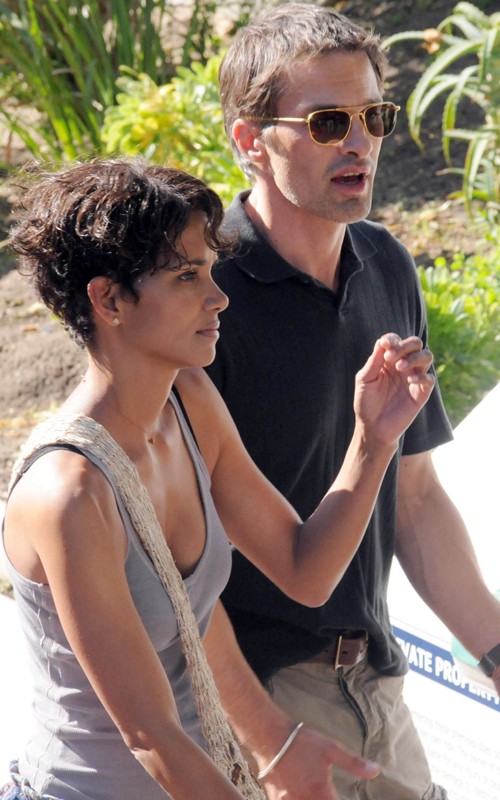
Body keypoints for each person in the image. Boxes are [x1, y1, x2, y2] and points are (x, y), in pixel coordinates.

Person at [0, 158, 434, 800]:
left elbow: (306, 571)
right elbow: (152, 737)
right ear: (109, 299)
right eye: (186, 276)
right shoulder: (69, 492)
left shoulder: (190, 402)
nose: (218, 296)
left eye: (209, 269)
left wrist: (374, 440)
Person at [205, 4, 500, 800]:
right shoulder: (201, 297)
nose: (360, 142)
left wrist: (496, 652)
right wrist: (263, 737)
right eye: (328, 121)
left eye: (374, 116)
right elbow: (170, 562)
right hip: (259, 698)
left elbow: (417, 500)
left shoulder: (385, 263)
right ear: (248, 140)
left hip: (376, 678)